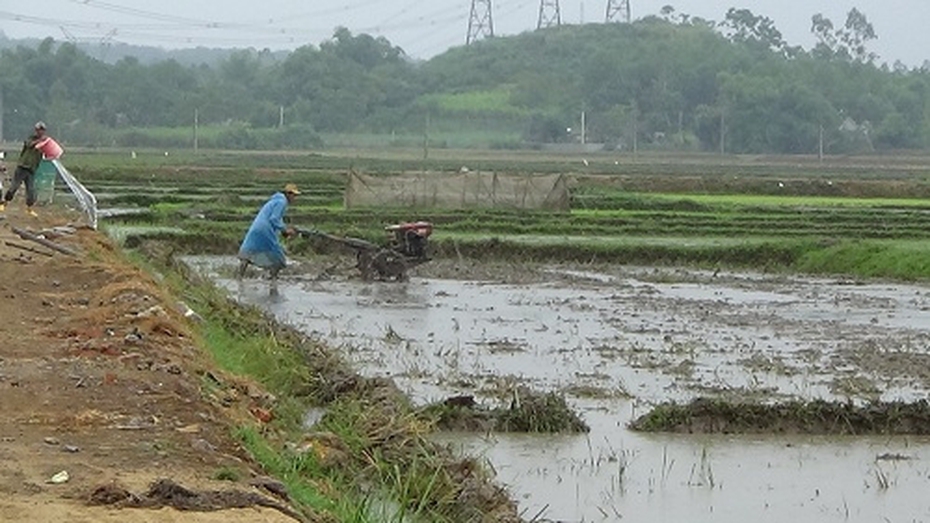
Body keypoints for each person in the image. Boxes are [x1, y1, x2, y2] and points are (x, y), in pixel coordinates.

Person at [237, 184, 300, 280]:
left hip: (256, 228)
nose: (295, 198)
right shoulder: (282, 202)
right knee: (278, 257)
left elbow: (278, 219)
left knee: (248, 251)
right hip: (265, 230)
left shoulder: (275, 200)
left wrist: (283, 231)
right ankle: (273, 279)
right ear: (288, 194)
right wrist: (285, 229)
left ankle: (239, 277)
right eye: (294, 195)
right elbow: (274, 219)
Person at [1, 122, 47, 217]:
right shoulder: (31, 138)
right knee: (14, 187)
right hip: (22, 167)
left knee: (31, 190)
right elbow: (29, 144)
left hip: (31, 169)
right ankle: (3, 203)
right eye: (39, 130)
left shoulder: (44, 143)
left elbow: (47, 153)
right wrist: (39, 141)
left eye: (42, 130)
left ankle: (29, 208)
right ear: (36, 130)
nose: (40, 132)